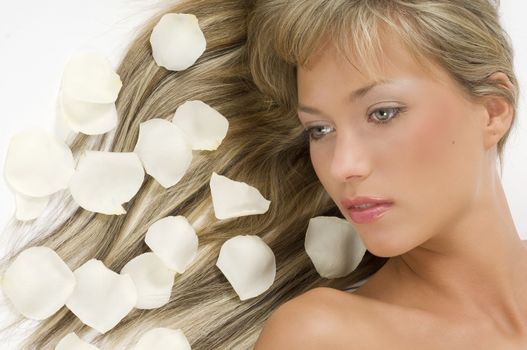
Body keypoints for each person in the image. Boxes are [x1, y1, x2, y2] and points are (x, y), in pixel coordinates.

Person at [0, 0, 522, 349]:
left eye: (382, 113)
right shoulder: (325, 337)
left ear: (493, 110)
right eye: (319, 130)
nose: (342, 166)